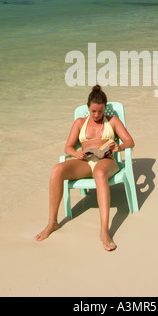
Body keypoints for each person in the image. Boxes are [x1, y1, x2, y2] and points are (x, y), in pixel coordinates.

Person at [36, 85, 135, 251]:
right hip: (85, 162)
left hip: (106, 161)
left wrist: (120, 147)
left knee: (99, 171)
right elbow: (67, 147)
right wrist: (77, 154)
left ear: (104, 108)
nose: (96, 115)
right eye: (93, 111)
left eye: (100, 111)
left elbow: (130, 141)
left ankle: (104, 231)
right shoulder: (80, 122)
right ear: (88, 108)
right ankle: (52, 223)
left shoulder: (112, 121)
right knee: (57, 170)